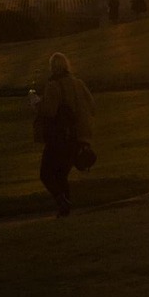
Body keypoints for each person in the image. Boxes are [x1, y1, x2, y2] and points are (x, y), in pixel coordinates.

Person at [31, 52, 95, 218]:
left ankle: (62, 202)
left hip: (59, 138)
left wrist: (36, 103)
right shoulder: (78, 83)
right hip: (78, 137)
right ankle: (65, 210)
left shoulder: (54, 85)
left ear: (52, 67)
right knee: (62, 175)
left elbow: (49, 111)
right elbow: (92, 105)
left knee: (46, 174)